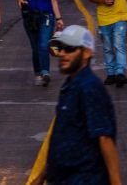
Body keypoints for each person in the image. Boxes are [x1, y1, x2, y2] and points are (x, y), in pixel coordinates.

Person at [41, 25, 122, 185]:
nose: (62, 54)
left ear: (87, 52)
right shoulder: (70, 85)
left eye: (69, 49)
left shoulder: (90, 87)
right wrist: (42, 176)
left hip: (84, 178)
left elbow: (104, 138)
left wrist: (116, 181)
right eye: (60, 48)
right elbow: (62, 137)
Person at [18, 0, 64, 86]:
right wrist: (21, 1)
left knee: (43, 44)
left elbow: (53, 0)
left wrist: (59, 18)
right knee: (35, 48)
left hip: (46, 16)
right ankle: (37, 72)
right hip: (30, 17)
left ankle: (45, 72)